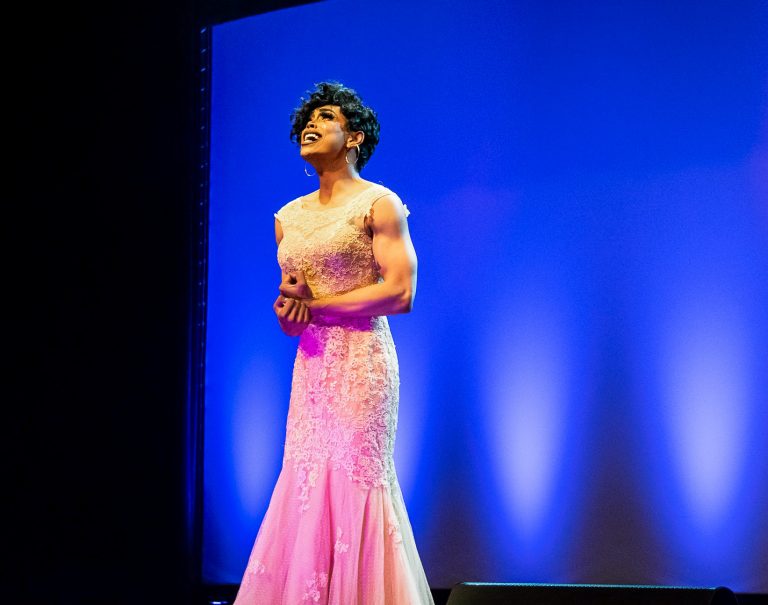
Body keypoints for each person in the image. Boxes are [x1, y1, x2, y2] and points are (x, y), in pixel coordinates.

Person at [233, 82, 434, 604]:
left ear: (355, 137)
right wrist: (290, 315)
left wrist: (317, 308)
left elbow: (401, 291)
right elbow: (295, 312)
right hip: (313, 368)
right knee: (304, 481)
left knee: (354, 481)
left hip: (362, 366)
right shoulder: (287, 219)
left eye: (326, 116)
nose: (311, 124)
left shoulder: (379, 204)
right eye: (307, 118)